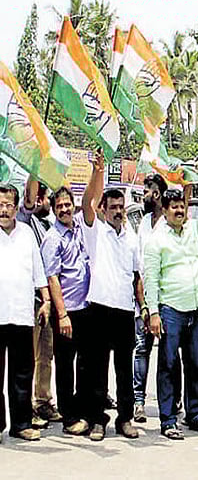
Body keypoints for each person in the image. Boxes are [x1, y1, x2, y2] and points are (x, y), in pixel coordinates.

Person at [143, 168, 198, 440]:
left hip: (194, 310)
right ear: (164, 210)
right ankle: (167, 420)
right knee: (168, 365)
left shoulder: (192, 230)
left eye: (182, 206)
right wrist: (153, 312)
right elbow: (150, 278)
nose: (179, 211)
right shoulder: (156, 240)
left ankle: (195, 415)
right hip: (169, 311)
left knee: (196, 364)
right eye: (174, 207)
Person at [82, 157, 146, 441]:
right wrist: (97, 172)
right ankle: (98, 421)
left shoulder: (131, 238)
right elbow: (87, 203)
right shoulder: (96, 232)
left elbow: (137, 276)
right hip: (99, 308)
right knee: (98, 367)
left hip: (124, 312)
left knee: (124, 368)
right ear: (104, 210)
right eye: (114, 207)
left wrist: (143, 306)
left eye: (122, 207)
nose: (119, 211)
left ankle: (125, 418)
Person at [41, 161, 103, 436]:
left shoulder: (79, 225)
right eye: (60, 207)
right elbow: (52, 278)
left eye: (68, 204)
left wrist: (96, 172)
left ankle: (86, 411)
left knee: (87, 364)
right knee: (66, 367)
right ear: (54, 210)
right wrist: (62, 314)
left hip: (87, 308)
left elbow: (91, 198)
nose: (65, 209)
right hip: (66, 312)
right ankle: (69, 417)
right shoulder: (52, 238)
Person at [0, 182, 51, 442]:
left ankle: (20, 424)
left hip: (21, 313)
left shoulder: (27, 234)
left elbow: (38, 270)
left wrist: (46, 299)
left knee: (22, 372)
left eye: (8, 205)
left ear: (16, 207)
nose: (4, 210)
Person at [133, 173, 181, 423]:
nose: (144, 194)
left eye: (148, 189)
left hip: (169, 299)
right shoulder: (142, 223)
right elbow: (139, 268)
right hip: (144, 297)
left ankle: (174, 401)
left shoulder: (172, 224)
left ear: (159, 194)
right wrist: (143, 304)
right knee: (141, 349)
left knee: (170, 353)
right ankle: (139, 402)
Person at [17, 178, 59, 429]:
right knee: (29, 357)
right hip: (31, 300)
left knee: (46, 355)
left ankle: (43, 400)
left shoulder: (50, 226)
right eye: (40, 197)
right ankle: (26, 408)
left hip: (48, 301)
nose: (43, 202)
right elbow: (29, 200)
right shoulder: (25, 220)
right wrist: (35, 166)